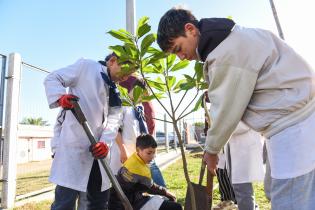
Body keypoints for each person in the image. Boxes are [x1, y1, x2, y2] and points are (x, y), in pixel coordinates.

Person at [157, 7, 315, 210]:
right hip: (296, 122)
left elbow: (225, 110)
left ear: (190, 29)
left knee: (291, 201)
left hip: (294, 129)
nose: (181, 57)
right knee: (281, 191)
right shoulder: (236, 36)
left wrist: (211, 150)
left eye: (178, 48)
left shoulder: (225, 53)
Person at [44, 53, 135, 210]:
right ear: (113, 61)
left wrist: (105, 143)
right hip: (74, 151)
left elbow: (114, 120)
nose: (125, 78)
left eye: (128, 75)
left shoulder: (115, 91)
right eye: (124, 72)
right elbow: (53, 78)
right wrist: (61, 97)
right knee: (64, 203)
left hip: (99, 155)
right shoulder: (86, 67)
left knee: (97, 203)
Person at [108, 134, 182, 210]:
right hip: (129, 205)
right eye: (149, 153)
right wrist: (166, 193)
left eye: (154, 152)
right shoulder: (140, 169)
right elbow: (152, 188)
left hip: (117, 201)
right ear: (138, 150)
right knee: (176, 207)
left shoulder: (133, 158)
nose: (152, 156)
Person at [119, 75, 166, 187]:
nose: (143, 98)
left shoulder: (139, 106)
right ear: (134, 90)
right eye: (141, 94)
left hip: (144, 151)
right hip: (130, 153)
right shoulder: (123, 105)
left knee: (153, 174)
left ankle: (164, 196)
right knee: (129, 182)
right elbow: (116, 129)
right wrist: (123, 150)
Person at [225, 122, 264, 210]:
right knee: (238, 186)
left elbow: (240, 124)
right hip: (234, 145)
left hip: (243, 147)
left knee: (242, 187)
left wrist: (221, 123)